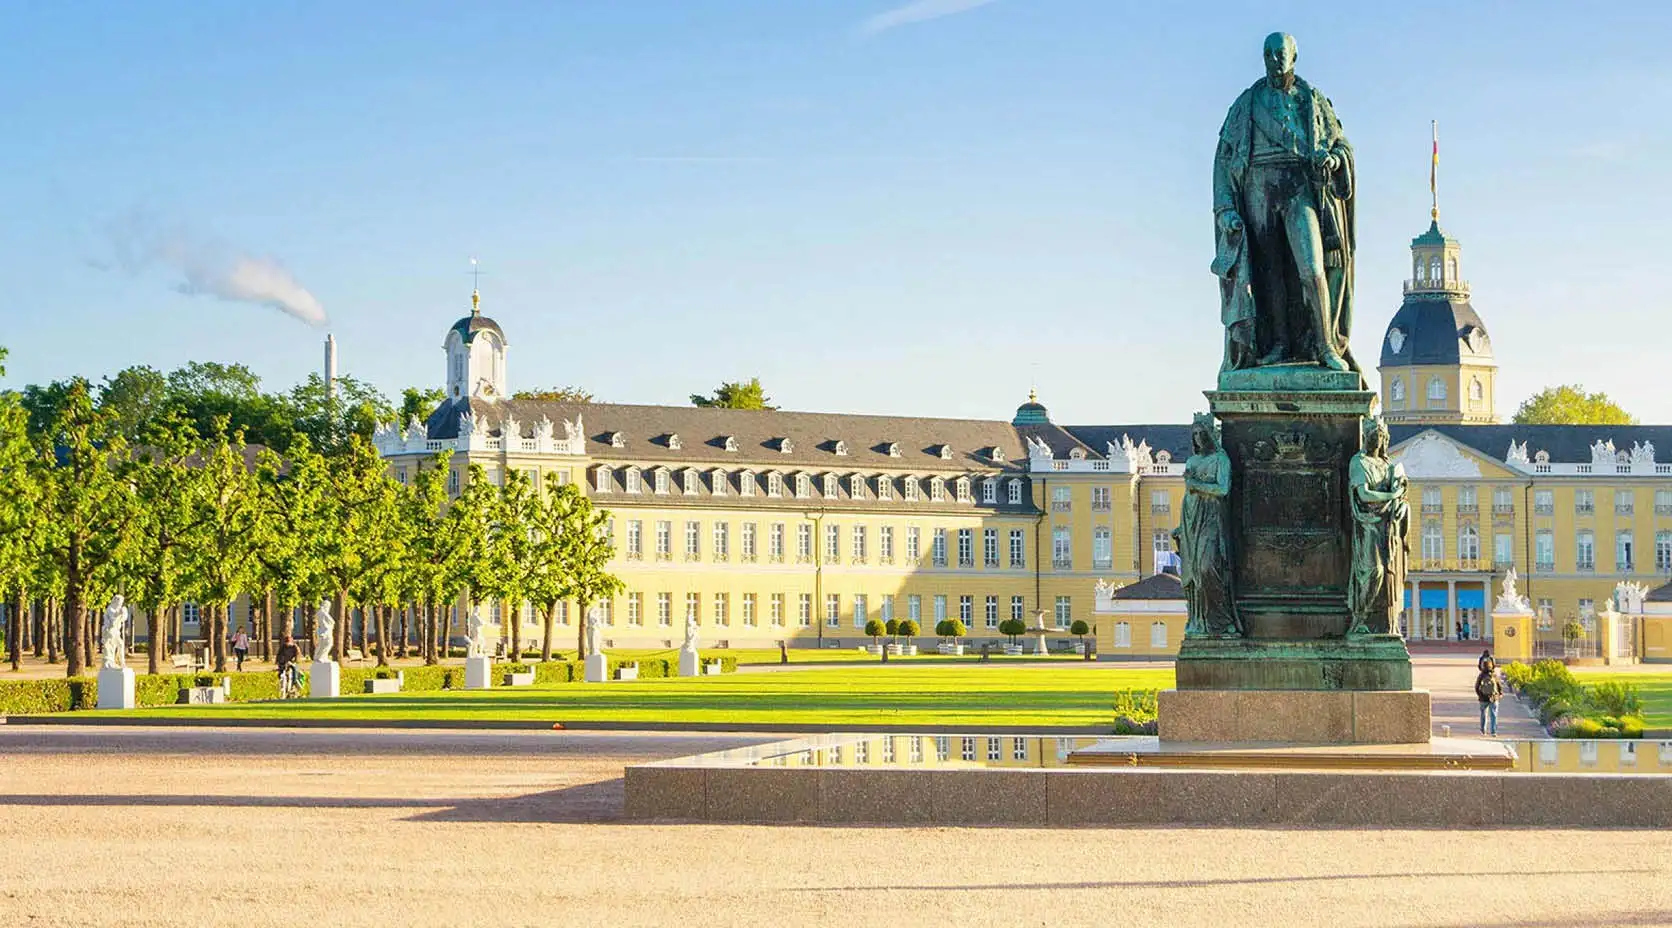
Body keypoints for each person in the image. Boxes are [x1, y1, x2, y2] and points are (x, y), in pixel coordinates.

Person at [1475, 664, 1501, 736]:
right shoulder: (1494, 675)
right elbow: (1499, 685)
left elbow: (1476, 687)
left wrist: (1480, 695)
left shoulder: (1481, 676)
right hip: (1493, 697)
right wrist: (1500, 694)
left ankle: (1483, 730)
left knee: (1483, 714)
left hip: (1483, 698)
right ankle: (1493, 731)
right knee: (1493, 715)